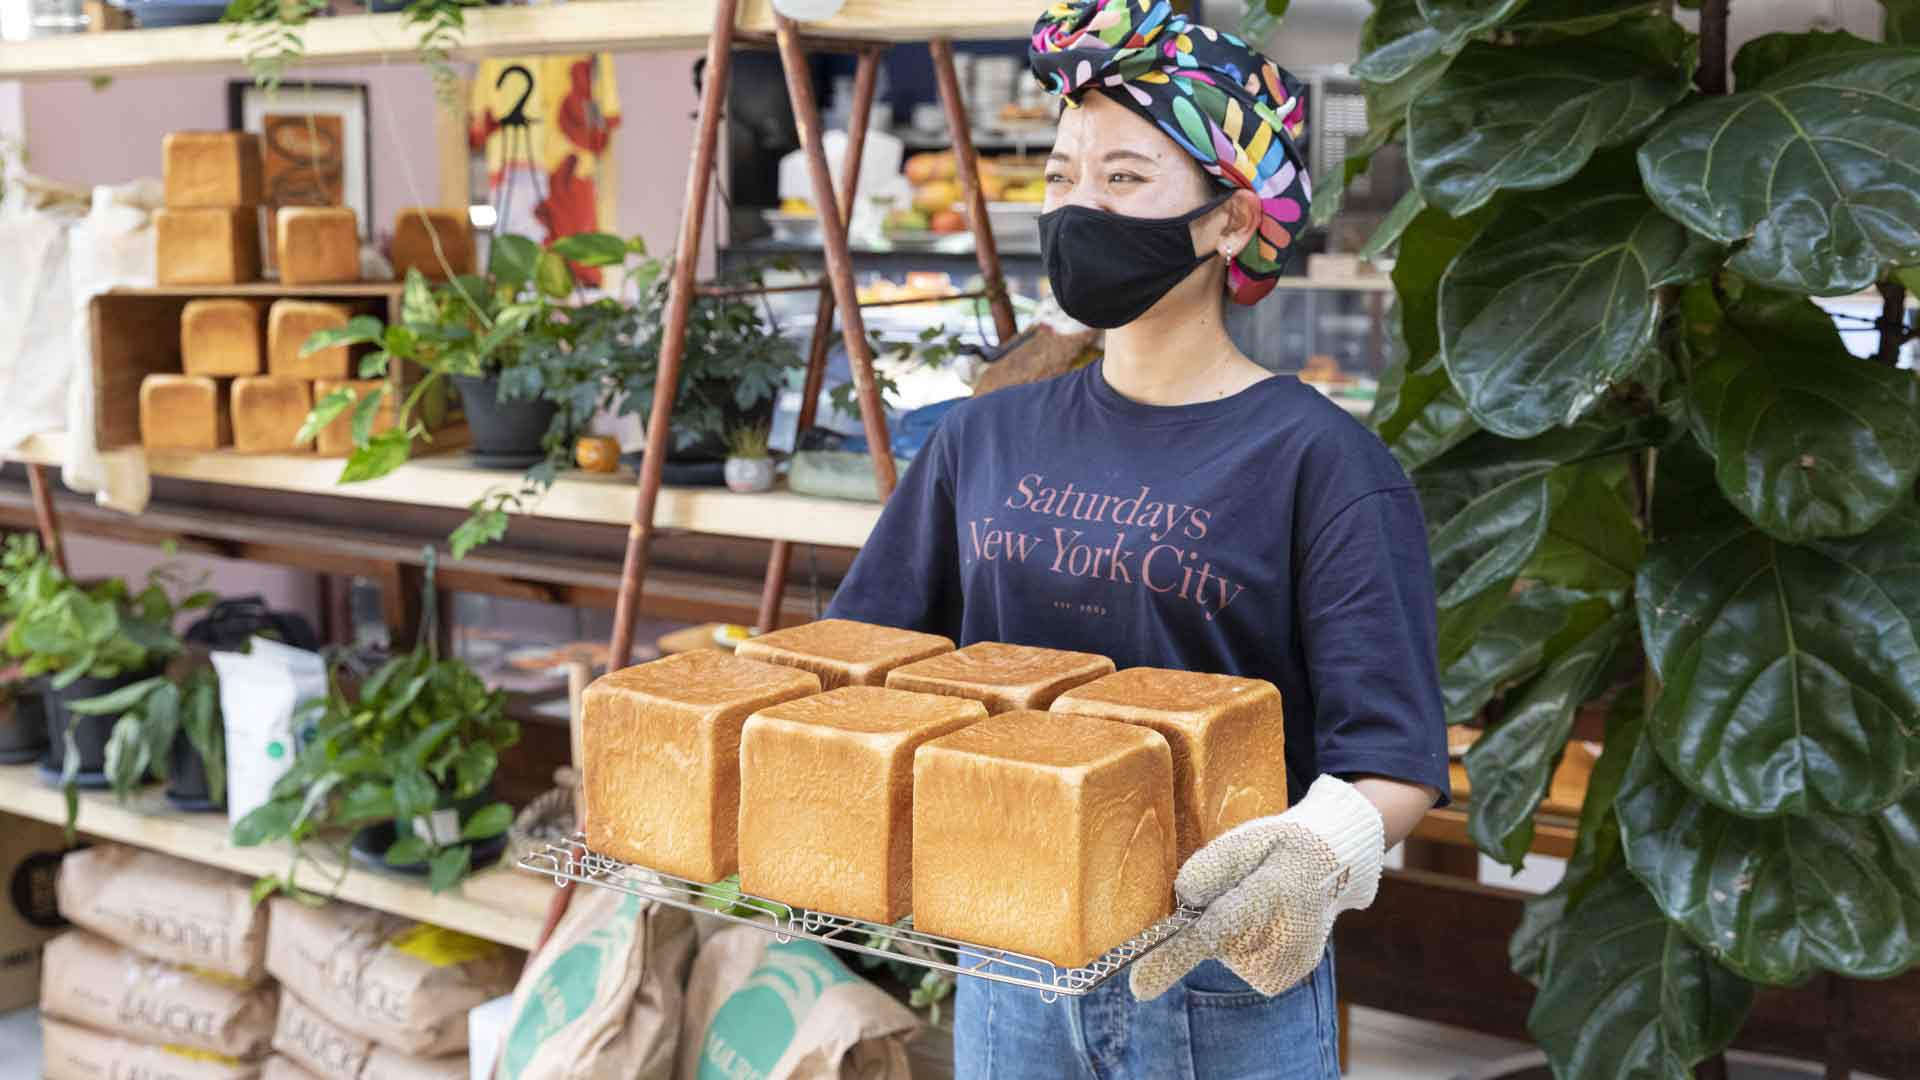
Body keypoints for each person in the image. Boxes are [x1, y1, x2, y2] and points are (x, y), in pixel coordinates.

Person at [821, 2, 1451, 1075]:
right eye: (1062, 174)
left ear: (1231, 220)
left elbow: (1393, 754)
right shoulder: (983, 439)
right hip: (1010, 953)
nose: (1076, 207)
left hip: (1221, 973)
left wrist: (1317, 851)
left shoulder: (1321, 464)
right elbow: (866, 666)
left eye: (1123, 179)